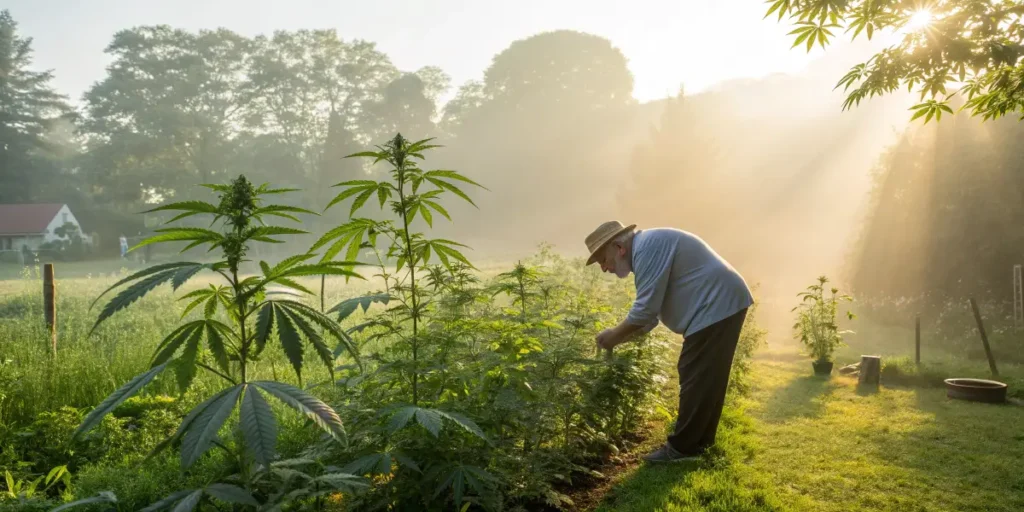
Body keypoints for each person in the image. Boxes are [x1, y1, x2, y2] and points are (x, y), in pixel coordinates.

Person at [584, 220, 753, 463]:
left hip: (715, 305)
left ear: (619, 247)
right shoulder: (645, 250)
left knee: (696, 374)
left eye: (602, 260)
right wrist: (620, 338)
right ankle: (698, 445)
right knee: (706, 377)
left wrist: (613, 336)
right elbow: (649, 317)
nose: (603, 268)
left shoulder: (647, 248)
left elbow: (644, 310)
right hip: (719, 304)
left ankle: (682, 450)